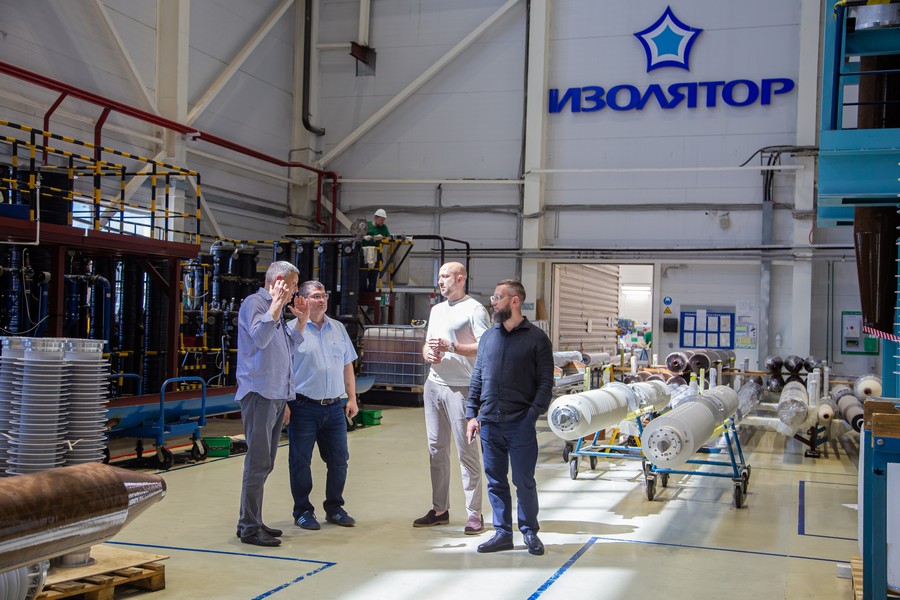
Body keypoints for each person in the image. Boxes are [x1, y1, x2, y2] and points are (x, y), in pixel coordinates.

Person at [465, 279, 553, 556]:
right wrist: (471, 414)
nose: (493, 302)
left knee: (524, 481)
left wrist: (531, 416)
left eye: (498, 297)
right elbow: (477, 377)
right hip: (490, 423)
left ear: (515, 301)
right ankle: (502, 533)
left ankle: (529, 532)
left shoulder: (537, 339)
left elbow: (545, 383)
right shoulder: (488, 337)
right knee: (496, 481)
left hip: (520, 424)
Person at [235, 261, 309, 547]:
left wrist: (301, 320)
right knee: (257, 463)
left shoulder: (276, 309)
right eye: (293, 285)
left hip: (276, 395)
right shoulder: (255, 304)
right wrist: (276, 305)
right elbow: (260, 339)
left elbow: (287, 348)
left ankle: (252, 519)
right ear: (278, 280)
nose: (295, 291)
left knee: (265, 463)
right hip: (260, 393)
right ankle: (249, 527)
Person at [413, 262, 491, 534]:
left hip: (462, 389)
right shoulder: (437, 310)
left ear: (460, 279)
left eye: (445, 276)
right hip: (434, 385)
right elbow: (429, 342)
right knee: (436, 450)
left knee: (466, 453)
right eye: (439, 276)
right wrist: (426, 352)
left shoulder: (475, 309)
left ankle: (474, 514)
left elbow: (486, 347)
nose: (441, 281)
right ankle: (439, 510)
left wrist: (454, 347)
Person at [287, 280, 360, 530]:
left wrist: (352, 398)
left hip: (334, 408)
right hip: (302, 407)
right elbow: (284, 370)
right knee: (300, 461)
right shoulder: (291, 330)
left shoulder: (338, 328)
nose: (322, 300)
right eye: (316, 296)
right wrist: (284, 403)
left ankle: (335, 508)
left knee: (339, 460)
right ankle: (303, 511)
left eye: (324, 295)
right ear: (302, 300)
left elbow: (347, 365)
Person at [361, 209, 391, 291]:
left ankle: (371, 295)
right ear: (376, 218)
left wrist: (383, 237)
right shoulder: (367, 225)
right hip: (364, 256)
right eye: (381, 219)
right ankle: (362, 295)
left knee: (373, 279)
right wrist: (364, 237)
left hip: (377, 256)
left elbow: (389, 238)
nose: (382, 222)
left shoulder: (384, 227)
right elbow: (358, 236)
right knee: (362, 278)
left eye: (383, 220)